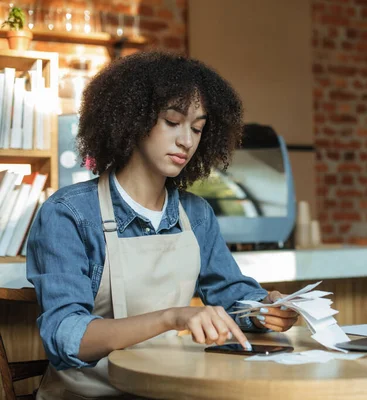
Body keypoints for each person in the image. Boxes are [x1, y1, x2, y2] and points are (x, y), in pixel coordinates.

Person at [26, 50, 298, 399]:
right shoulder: (69, 214)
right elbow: (67, 336)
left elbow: (233, 296)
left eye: (197, 128)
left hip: (165, 390)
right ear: (132, 119)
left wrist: (265, 310)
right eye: (172, 122)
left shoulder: (195, 215)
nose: (187, 140)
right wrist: (171, 318)